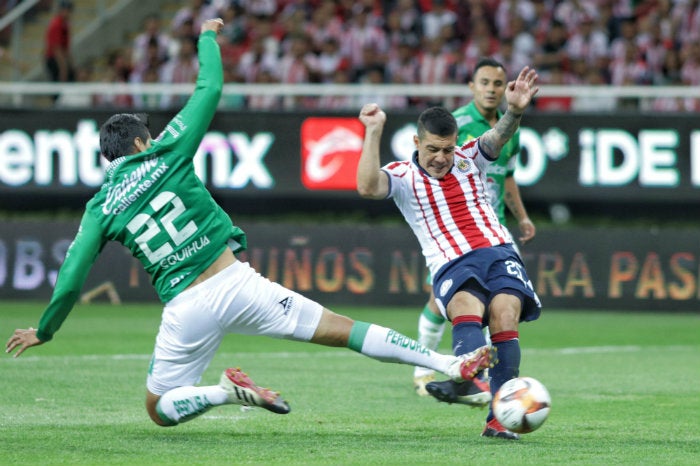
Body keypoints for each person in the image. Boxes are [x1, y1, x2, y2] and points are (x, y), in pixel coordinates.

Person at [5, 18, 492, 428]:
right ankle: (448, 363)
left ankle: (221, 393)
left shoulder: (99, 207)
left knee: (158, 409)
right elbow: (210, 88)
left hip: (185, 308)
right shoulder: (166, 152)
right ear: (138, 144)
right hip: (237, 283)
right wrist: (207, 38)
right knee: (346, 330)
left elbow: (71, 279)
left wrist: (46, 330)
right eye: (147, 137)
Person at [356, 65, 542, 440]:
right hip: (451, 261)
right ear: (415, 142)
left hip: (498, 248)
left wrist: (515, 111)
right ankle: (468, 380)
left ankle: (497, 420)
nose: (441, 158)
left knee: (506, 313)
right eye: (432, 150)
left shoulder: (469, 157)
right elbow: (367, 186)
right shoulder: (402, 177)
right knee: (465, 307)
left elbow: (496, 137)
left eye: (447, 149)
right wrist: (373, 131)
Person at [412, 57, 536, 399]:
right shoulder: (459, 125)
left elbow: (507, 175)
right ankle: (426, 369)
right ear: (472, 86)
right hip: (452, 230)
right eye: (485, 82)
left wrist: (521, 216)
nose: (492, 90)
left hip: (493, 229)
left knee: (499, 307)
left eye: (498, 83)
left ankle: (480, 383)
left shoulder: (512, 128)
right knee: (444, 302)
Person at [44, 0, 75, 101]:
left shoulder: (65, 24)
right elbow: (56, 48)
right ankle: (56, 104)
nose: (67, 13)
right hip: (54, 58)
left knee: (70, 78)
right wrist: (63, 67)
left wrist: (71, 63)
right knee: (57, 84)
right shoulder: (57, 24)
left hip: (60, 57)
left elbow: (66, 48)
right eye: (65, 10)